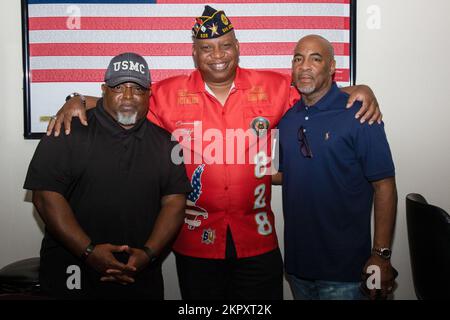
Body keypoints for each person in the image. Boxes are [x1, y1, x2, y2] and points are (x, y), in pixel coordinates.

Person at [46, 7, 382, 300]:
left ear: (237, 48)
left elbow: (317, 93)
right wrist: (78, 99)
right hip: (195, 241)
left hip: (258, 240)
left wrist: (360, 89)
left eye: (224, 46)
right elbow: (124, 104)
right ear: (195, 54)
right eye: (206, 48)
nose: (217, 54)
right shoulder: (166, 93)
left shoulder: (274, 87)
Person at [23, 52, 192, 299]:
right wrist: (88, 252)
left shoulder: (167, 143)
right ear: (104, 89)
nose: (128, 97)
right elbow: (46, 198)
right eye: (118, 87)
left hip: (139, 272)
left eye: (137, 88)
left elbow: (175, 203)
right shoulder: (67, 129)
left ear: (149, 94)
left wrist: (148, 253)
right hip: (73, 270)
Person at [275, 35, 398, 300]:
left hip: (347, 272)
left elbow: (384, 185)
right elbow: (289, 174)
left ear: (331, 67)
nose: (305, 66)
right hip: (297, 269)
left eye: (315, 58)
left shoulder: (360, 113)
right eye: (298, 58)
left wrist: (381, 255)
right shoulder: (287, 120)